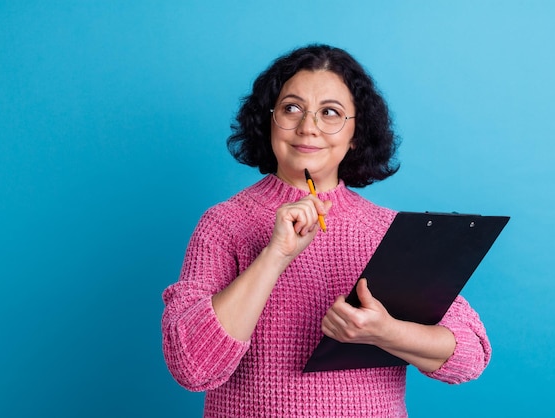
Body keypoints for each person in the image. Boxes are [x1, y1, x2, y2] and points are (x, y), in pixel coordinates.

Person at [161, 44, 491, 417]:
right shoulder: (224, 224)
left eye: (330, 113)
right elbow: (192, 366)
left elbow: (470, 355)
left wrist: (385, 332)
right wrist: (274, 256)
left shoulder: (387, 231)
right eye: (291, 108)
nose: (308, 127)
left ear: (356, 133)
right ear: (268, 121)